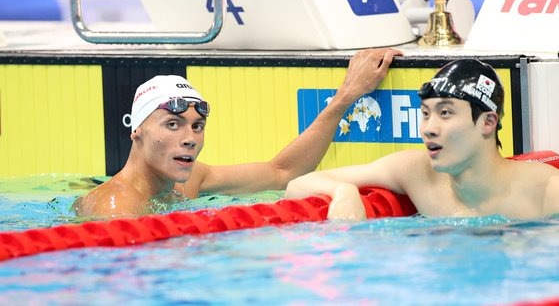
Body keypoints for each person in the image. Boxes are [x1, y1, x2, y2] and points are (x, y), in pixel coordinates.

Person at [73, 48, 403, 218]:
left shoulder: (188, 181)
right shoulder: (117, 205)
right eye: (172, 124)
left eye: (197, 126)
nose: (189, 137)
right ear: (137, 131)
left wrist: (347, 95)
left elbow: (282, 172)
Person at [285, 59, 559, 220]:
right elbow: (296, 185)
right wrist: (343, 192)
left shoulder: (547, 193)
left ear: (488, 122)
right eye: (426, 114)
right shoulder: (416, 172)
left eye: (446, 113)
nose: (429, 128)